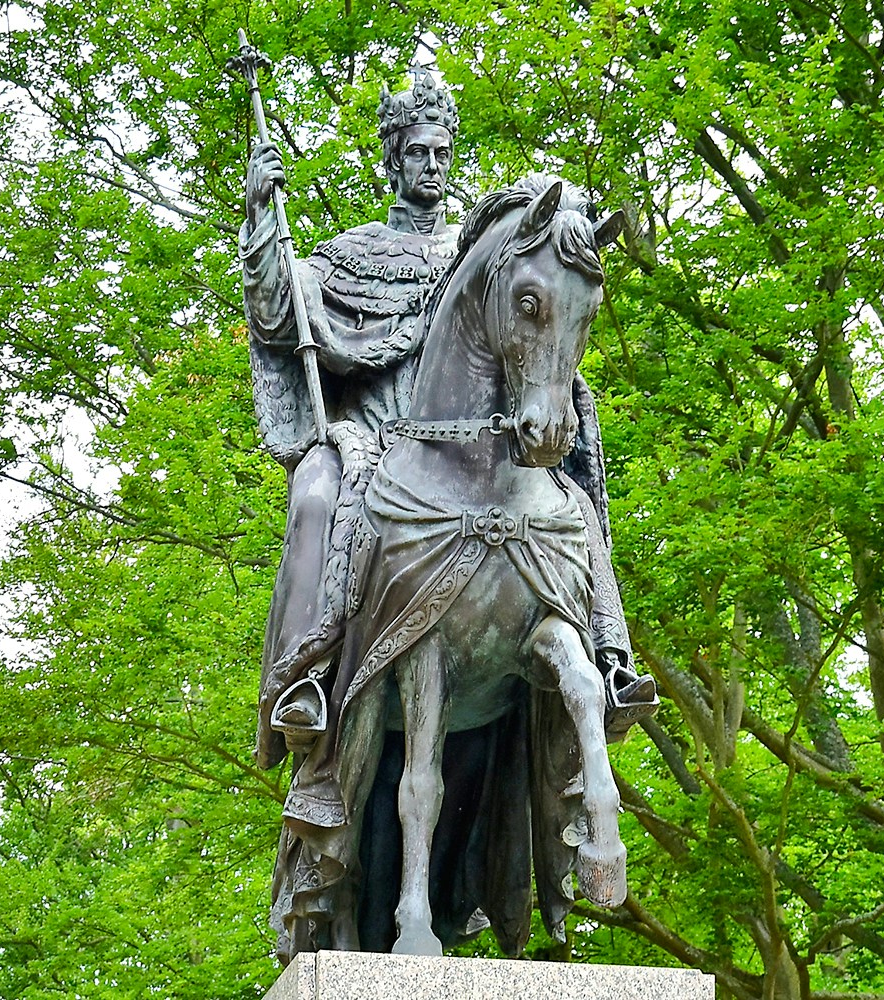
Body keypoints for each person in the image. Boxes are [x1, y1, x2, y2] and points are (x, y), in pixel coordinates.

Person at [240, 70, 653, 960]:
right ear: (392, 157)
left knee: (576, 500)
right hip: (380, 446)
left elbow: (535, 336)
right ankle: (309, 677)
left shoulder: (492, 248)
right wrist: (262, 223)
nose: (430, 163)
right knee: (318, 491)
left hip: (485, 459)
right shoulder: (358, 255)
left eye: (441, 151)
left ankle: (610, 662)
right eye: (415, 150)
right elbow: (285, 314)